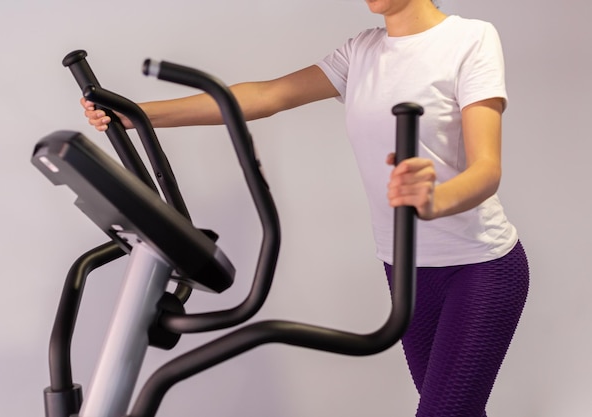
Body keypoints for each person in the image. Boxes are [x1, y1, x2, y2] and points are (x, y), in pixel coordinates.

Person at [81, 1, 529, 415]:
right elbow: (266, 96)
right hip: (404, 267)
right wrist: (137, 113)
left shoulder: (470, 39)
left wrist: (434, 200)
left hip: (479, 265)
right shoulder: (363, 50)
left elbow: (487, 169)